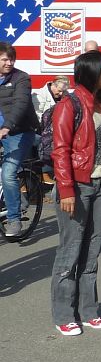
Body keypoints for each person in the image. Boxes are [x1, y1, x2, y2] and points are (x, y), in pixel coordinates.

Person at [50, 51, 101, 336]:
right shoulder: (70, 104)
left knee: (92, 250)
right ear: (91, 73)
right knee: (70, 252)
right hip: (77, 187)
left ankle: (89, 311)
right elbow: (60, 150)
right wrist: (66, 189)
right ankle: (64, 314)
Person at [0, 42, 38, 238]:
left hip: (19, 131)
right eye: (5, 59)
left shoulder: (21, 78)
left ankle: (14, 219)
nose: (9, 63)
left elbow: (21, 104)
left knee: (8, 172)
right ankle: (14, 197)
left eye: (11, 59)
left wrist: (7, 126)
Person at [32, 76, 68, 185]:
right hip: (38, 130)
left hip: (54, 128)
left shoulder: (64, 95)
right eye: (59, 91)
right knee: (48, 141)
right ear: (53, 85)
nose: (61, 94)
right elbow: (37, 118)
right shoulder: (39, 95)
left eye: (63, 91)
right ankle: (45, 172)